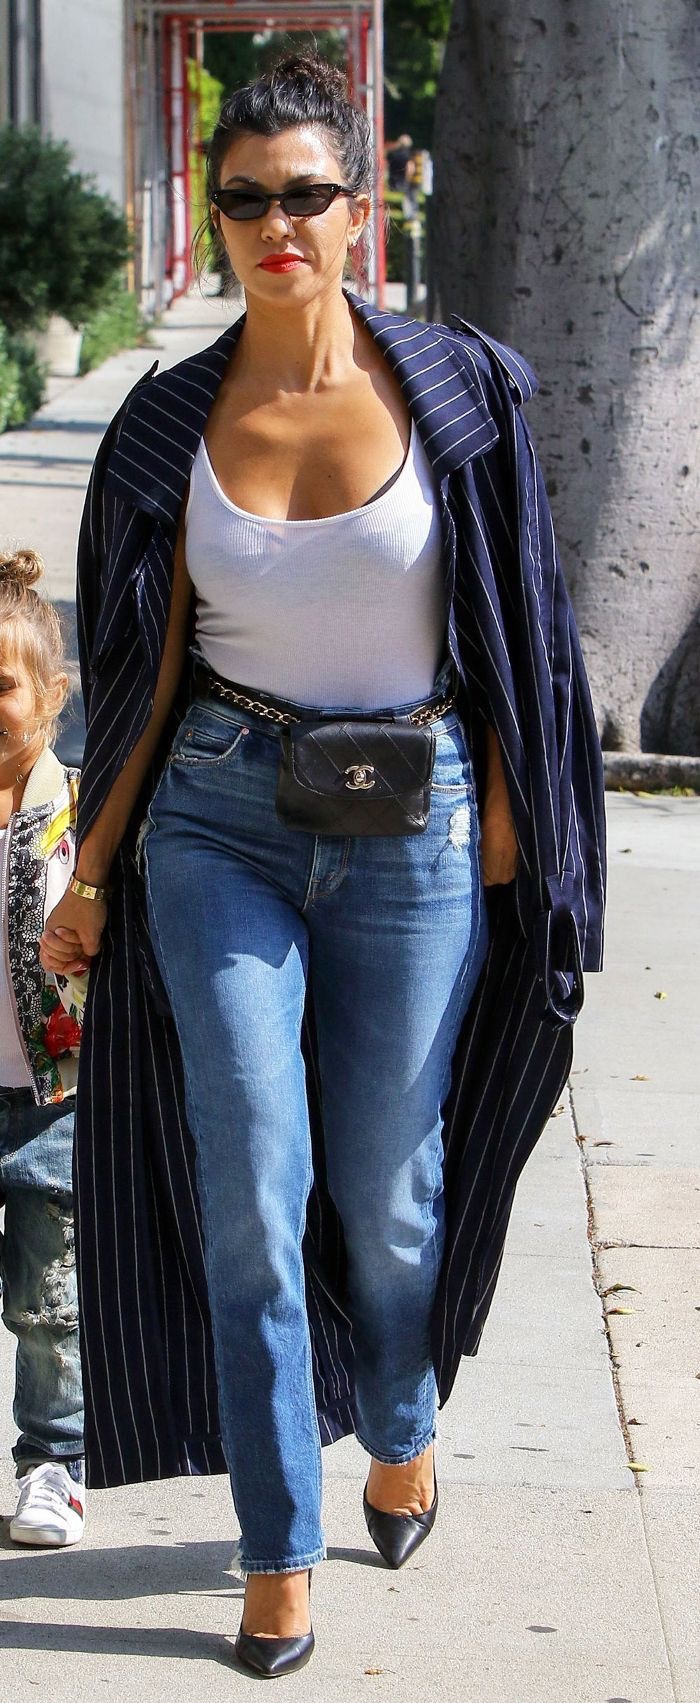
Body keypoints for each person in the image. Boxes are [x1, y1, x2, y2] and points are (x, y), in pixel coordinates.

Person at [41, 54, 605, 1677]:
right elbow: (144, 665)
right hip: (218, 819)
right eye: (245, 199)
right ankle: (280, 1545)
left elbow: (523, 617)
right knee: (251, 1191)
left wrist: (512, 817)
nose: (275, 223)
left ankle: (404, 1418)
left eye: (305, 193)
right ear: (216, 216)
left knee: (392, 1195)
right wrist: (93, 870)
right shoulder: (168, 420)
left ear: (364, 205)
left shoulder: (460, 389)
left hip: (416, 821)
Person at [0, 549, 87, 1547]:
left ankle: (54, 1463)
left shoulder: (77, 814)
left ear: (50, 693)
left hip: (53, 1098)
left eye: (2, 685)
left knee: (47, 1295)